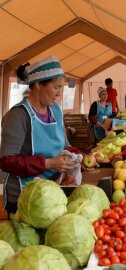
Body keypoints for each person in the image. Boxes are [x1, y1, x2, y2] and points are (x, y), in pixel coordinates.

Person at [0, 56, 80, 215]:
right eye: (56, 87)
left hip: (52, 190)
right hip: (24, 197)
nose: (58, 93)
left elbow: (64, 145)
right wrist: (49, 163)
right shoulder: (18, 116)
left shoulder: (56, 110)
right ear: (38, 85)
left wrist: (77, 156)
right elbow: (6, 161)